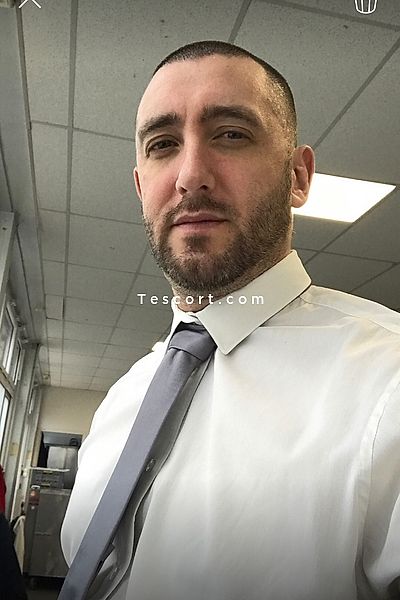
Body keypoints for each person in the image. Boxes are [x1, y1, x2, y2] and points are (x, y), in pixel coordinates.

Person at [61, 41, 400, 600]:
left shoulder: (387, 382)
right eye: (163, 144)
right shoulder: (124, 400)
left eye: (231, 135)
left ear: (298, 177)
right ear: (142, 187)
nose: (190, 175)